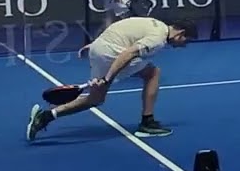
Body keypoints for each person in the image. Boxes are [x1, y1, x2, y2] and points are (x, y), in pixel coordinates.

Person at [27, 16, 197, 141]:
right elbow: (128, 53)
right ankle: (147, 123)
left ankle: (46, 116)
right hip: (110, 52)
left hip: (102, 47)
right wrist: (108, 78)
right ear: (180, 33)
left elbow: (120, 29)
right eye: (186, 41)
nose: (183, 46)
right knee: (152, 73)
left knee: (95, 98)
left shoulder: (156, 24)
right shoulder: (157, 39)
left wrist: (96, 46)